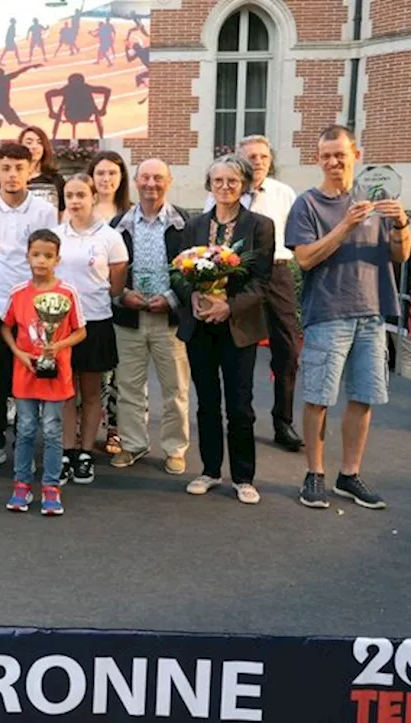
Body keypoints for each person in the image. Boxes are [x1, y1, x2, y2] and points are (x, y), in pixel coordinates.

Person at [288, 125, 411, 510]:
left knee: (364, 396)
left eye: (339, 154)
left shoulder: (377, 200)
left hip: (373, 312)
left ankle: (349, 475)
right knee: (318, 398)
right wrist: (345, 225)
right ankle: (315, 474)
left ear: (355, 155)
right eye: (325, 155)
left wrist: (402, 223)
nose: (333, 161)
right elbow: (305, 258)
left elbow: (401, 256)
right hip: (328, 311)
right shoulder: (307, 204)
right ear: (318, 158)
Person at [178, 155, 274, 505]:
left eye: (233, 181)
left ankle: (244, 477)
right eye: (218, 181)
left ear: (245, 184)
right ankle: (209, 470)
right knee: (206, 402)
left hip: (238, 327)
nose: (225, 187)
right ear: (209, 184)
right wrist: (194, 299)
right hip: (201, 326)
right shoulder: (194, 225)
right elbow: (178, 275)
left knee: (240, 404)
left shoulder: (259, 226)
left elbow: (262, 281)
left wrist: (228, 306)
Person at [202, 135, 303, 452]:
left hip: (276, 272)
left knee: (287, 346)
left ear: (270, 160)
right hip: (234, 275)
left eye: (263, 156)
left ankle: (282, 419)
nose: (258, 161)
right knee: (236, 347)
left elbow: (297, 235)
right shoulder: (225, 193)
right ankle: (233, 414)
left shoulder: (284, 193)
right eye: (251, 157)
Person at [0, 143, 59, 472]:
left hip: (32, 308)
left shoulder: (44, 212)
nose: (12, 175)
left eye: (19, 168)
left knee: (29, 378)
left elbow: (47, 257)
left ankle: (25, 445)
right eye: (5, 168)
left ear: (30, 170)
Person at [110, 159, 191, 475]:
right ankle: (132, 443)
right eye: (145, 177)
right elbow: (108, 268)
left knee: (176, 389)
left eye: (158, 178)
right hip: (129, 318)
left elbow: (193, 272)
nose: (150, 184)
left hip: (169, 320)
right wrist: (122, 295)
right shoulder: (118, 224)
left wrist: (171, 299)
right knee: (129, 387)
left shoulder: (184, 223)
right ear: (136, 182)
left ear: (169, 182)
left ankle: (175, 448)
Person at [1, 229, 87, 515]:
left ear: (57, 259)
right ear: (27, 256)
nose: (41, 261)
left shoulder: (67, 292)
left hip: (56, 375)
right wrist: (19, 353)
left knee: (52, 430)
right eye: (36, 255)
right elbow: (5, 327)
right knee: (24, 429)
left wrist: (58, 345)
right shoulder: (19, 293)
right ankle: (21, 485)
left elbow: (81, 331)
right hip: (25, 374)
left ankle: (51, 487)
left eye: (48, 256)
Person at [51, 174, 128, 484]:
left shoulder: (110, 237)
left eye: (81, 194)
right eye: (69, 195)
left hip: (95, 321)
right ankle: (67, 451)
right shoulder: (56, 234)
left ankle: (85, 452)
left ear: (94, 197)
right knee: (67, 392)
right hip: (61, 326)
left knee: (92, 392)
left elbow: (117, 283)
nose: (75, 201)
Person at [89, 150, 132, 454]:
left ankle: (116, 429)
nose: (106, 179)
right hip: (88, 304)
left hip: (122, 300)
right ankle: (85, 424)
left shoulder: (130, 214)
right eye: (100, 173)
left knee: (120, 370)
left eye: (112, 174)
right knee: (89, 369)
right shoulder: (78, 210)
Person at [20, 125, 65, 212]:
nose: (34, 146)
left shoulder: (55, 179)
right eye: (29, 143)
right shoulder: (13, 179)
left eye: (40, 142)